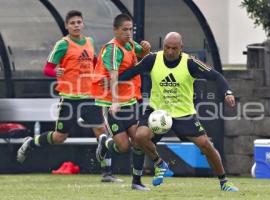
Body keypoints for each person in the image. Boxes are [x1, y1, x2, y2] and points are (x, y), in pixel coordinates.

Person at [119, 32, 239, 192]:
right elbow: (131, 72)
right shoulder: (153, 59)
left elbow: (216, 76)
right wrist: (111, 79)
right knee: (139, 138)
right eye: (167, 47)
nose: (169, 51)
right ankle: (156, 167)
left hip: (183, 114)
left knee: (206, 145)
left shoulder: (190, 62)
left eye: (174, 48)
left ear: (181, 48)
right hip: (157, 112)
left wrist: (228, 92)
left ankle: (224, 182)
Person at [16, 10, 122, 183]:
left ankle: (107, 173)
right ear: (67, 26)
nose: (76, 25)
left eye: (79, 22)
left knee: (102, 133)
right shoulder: (62, 44)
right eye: (72, 23)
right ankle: (31, 142)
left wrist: (103, 77)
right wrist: (55, 71)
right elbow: (47, 68)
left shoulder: (89, 41)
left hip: (89, 97)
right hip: (70, 98)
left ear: (83, 24)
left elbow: (95, 63)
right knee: (59, 137)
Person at [91, 14, 151, 191]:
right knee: (123, 146)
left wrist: (146, 49)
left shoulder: (131, 43)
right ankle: (105, 142)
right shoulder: (112, 49)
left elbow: (142, 55)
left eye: (130, 29)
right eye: (124, 29)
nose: (128, 33)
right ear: (115, 30)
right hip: (110, 102)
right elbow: (114, 76)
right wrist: (115, 102)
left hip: (130, 100)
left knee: (138, 141)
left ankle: (137, 182)